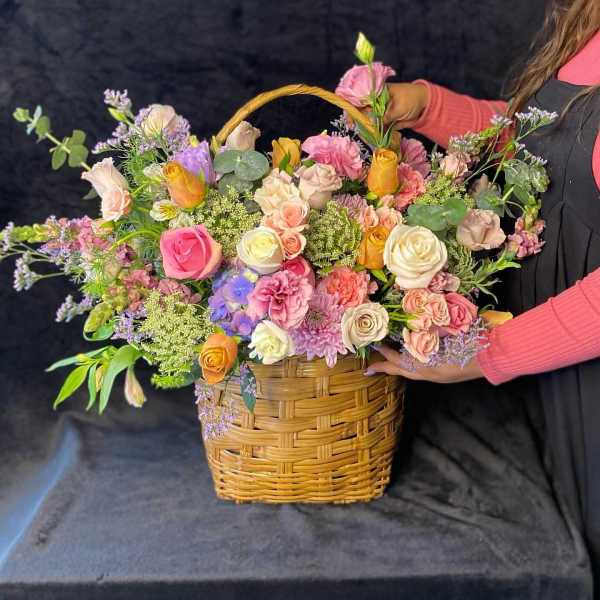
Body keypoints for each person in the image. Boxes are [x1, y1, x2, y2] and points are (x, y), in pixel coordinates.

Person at [365, 0, 600, 596]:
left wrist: (488, 352)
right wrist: (426, 105)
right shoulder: (588, 26)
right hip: (559, 375)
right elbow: (543, 144)